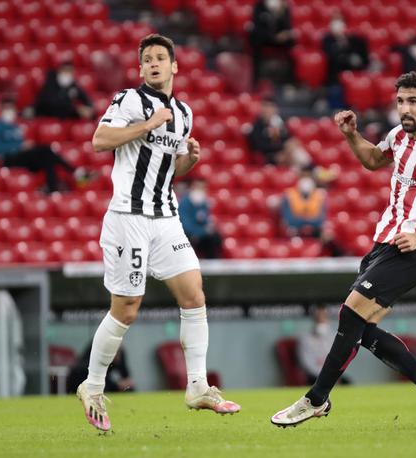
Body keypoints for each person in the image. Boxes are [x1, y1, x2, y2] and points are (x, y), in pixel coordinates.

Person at [271, 71, 416, 427]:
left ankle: (316, 399)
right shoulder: (397, 136)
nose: (405, 109)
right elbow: (373, 160)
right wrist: (351, 134)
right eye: (400, 101)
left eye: (413, 101)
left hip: (412, 248)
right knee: (358, 328)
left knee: (350, 316)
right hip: (384, 243)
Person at [76, 34, 240, 433]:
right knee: (127, 307)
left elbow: (167, 171)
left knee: (193, 294)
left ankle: (197, 386)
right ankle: (92, 385)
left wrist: (188, 161)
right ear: (140, 69)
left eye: (160, 58)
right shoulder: (130, 101)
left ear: (174, 66)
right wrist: (148, 124)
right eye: (147, 59)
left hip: (166, 216)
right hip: (127, 217)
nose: (153, 64)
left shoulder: (184, 112)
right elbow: (100, 141)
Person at [0, 99, 81, 193]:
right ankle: (74, 172)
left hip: (22, 158)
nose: (10, 111)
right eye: (7, 108)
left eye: (11, 108)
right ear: (1, 110)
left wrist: (25, 146)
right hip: (8, 159)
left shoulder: (15, 127)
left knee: (48, 158)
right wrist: (19, 146)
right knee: (46, 150)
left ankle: (52, 188)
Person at [247, 98, 310, 168]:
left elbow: (287, 138)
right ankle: (309, 170)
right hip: (268, 157)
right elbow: (258, 146)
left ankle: (309, 169)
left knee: (296, 150)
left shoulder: (279, 123)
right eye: (266, 106)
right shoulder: (257, 126)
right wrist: (282, 148)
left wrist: (290, 145)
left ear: (276, 110)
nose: (268, 110)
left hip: (285, 154)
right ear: (261, 109)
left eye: (271, 107)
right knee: (289, 156)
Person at [298, 306, 351, 386]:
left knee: (346, 383)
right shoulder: (306, 339)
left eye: (324, 317)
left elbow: (341, 359)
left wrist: (333, 375)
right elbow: (306, 363)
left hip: (333, 374)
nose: (321, 320)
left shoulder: (336, 337)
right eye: (318, 318)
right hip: (315, 376)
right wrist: (324, 375)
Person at [248, 0, 295, 85]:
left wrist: (280, 14)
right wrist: (273, 37)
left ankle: (290, 80)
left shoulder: (284, 6)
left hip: (280, 38)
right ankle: (255, 79)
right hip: (264, 38)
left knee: (291, 42)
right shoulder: (259, 6)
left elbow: (287, 27)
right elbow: (257, 26)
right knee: (255, 39)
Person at [321, 12, 370, 85]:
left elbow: (361, 56)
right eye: (334, 21)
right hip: (335, 77)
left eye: (339, 21)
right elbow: (330, 56)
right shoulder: (327, 39)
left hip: (353, 73)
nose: (337, 24)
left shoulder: (353, 39)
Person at [179, 178, 222, 259]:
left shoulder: (204, 202)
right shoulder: (185, 202)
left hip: (202, 236)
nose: (201, 190)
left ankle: (212, 263)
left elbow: (206, 220)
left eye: (203, 188)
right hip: (190, 235)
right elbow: (185, 226)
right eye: (198, 187)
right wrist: (203, 231)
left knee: (215, 238)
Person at [67, 344, 134, 394]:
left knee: (129, 388)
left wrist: (126, 382)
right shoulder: (98, 346)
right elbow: (91, 372)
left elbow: (125, 376)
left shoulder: (120, 350)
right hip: (84, 377)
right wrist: (117, 385)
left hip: (104, 381)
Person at [280, 167, 327, 237]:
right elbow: (287, 218)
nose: (306, 180)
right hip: (294, 228)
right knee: (291, 231)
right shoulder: (289, 194)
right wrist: (303, 222)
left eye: (308, 176)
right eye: (303, 176)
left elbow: (321, 218)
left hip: (315, 228)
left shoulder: (320, 195)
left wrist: (309, 223)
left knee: (325, 235)